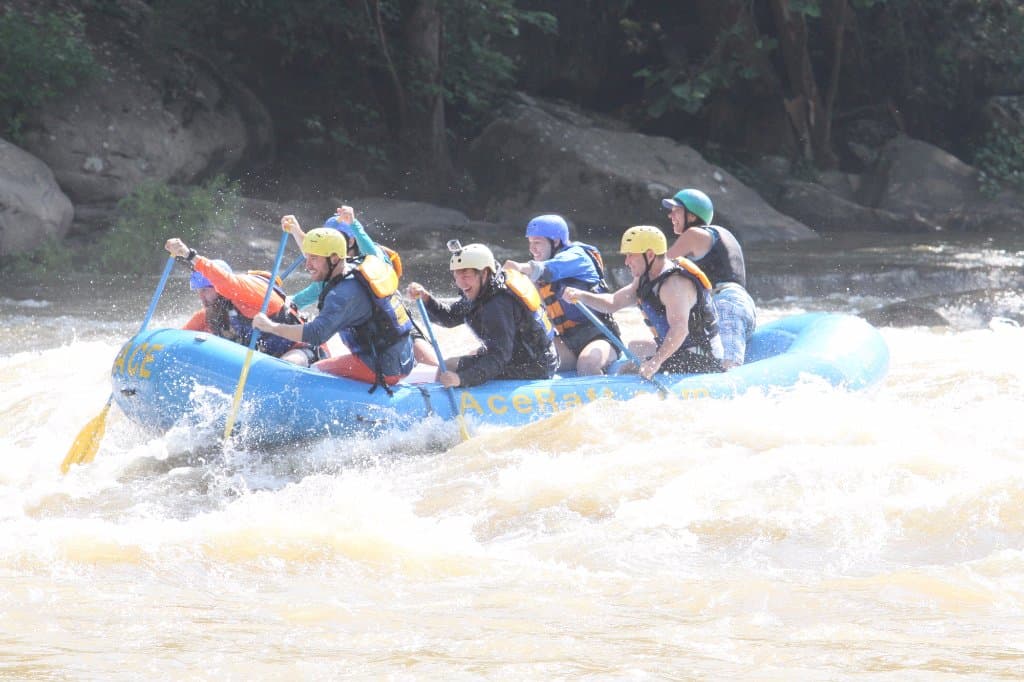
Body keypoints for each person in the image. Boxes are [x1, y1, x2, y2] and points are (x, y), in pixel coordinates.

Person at [251, 227, 414, 391]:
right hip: (403, 356)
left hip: (383, 366)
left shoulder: (343, 294)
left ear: (335, 258)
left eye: (313, 259)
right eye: (307, 257)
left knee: (314, 372)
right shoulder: (350, 267)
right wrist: (295, 230)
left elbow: (316, 334)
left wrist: (271, 327)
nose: (307, 265)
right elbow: (320, 263)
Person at [282, 206, 438, 366]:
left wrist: (354, 224)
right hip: (372, 342)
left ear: (350, 241)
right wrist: (283, 306)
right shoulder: (332, 273)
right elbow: (306, 286)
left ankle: (442, 375)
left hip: (394, 325)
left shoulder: (371, 262)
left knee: (417, 345)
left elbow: (377, 258)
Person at [563, 226, 724, 380]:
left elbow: (680, 330)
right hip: (680, 350)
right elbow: (612, 303)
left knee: (628, 371)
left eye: (631, 255)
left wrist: (655, 362)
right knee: (635, 346)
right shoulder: (645, 277)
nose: (626, 262)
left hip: (701, 358)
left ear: (649, 255)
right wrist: (581, 296)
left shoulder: (674, 284)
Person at [406, 242, 558, 388]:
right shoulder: (484, 289)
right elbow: (450, 318)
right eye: (456, 275)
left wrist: (461, 379)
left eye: (466, 276)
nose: (460, 283)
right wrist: (427, 299)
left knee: (449, 367)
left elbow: (499, 357)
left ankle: (439, 406)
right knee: (460, 361)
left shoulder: (498, 304)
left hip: (533, 367)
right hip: (517, 355)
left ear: (484, 273)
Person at [164, 237, 314, 366]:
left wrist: (189, 255)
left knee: (291, 363)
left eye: (205, 290)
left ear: (218, 287)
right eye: (199, 291)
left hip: (299, 350)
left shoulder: (248, 292)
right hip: (262, 360)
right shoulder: (212, 312)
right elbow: (176, 339)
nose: (201, 297)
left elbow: (225, 281)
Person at [503, 214, 621, 375]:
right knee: (526, 359)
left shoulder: (577, 257)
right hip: (567, 340)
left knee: (587, 366)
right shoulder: (539, 271)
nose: (532, 248)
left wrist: (520, 267)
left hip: (600, 337)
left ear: (556, 241)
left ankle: (604, 398)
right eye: (530, 243)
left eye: (537, 242)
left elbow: (549, 268)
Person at [662, 188, 756, 369]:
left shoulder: (693, 234)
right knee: (714, 365)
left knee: (727, 368)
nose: (670, 215)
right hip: (740, 305)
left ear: (691, 216)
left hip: (725, 304)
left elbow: (658, 269)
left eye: (676, 210)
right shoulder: (718, 235)